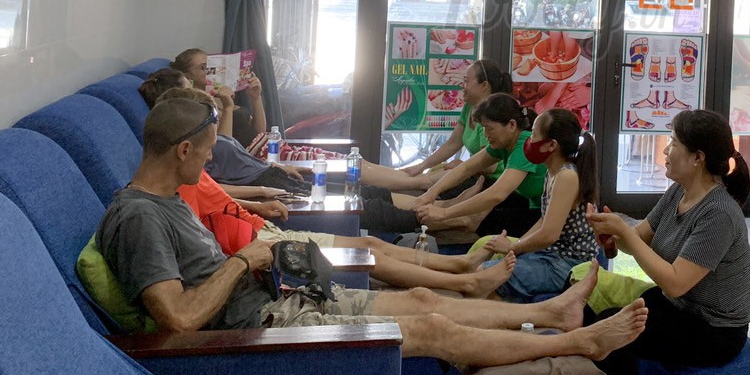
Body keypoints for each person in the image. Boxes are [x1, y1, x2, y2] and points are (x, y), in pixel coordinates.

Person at [96, 97, 648, 370]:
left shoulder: (169, 198)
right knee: (433, 330)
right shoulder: (140, 217)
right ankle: (577, 342)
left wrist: (263, 256)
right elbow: (179, 319)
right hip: (265, 326)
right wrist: (245, 261)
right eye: (207, 152)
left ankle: (553, 312)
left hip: (282, 294)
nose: (211, 164)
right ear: (182, 150)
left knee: (424, 299)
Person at [157, 86, 518, 298]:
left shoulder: (189, 174)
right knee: (369, 250)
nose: (210, 155)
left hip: (265, 222)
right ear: (184, 147)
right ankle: (463, 274)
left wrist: (257, 201)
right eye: (207, 149)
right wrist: (261, 197)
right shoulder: (174, 190)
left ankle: (459, 262)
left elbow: (217, 196)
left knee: (370, 236)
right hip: (262, 243)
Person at [584, 110, 750, 375]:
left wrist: (626, 237)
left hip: (714, 329)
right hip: (680, 307)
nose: (665, 150)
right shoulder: (678, 191)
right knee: (596, 316)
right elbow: (640, 236)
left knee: (617, 336)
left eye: (673, 143)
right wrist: (612, 237)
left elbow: (676, 282)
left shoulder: (720, 213)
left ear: (697, 157)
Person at [480, 108, 599, 301]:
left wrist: (514, 247)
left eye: (534, 135)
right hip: (553, 255)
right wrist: (515, 247)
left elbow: (549, 234)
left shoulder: (567, 176)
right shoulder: (552, 171)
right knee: (487, 269)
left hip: (568, 264)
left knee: (486, 276)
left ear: (551, 145)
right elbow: (545, 220)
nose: (529, 140)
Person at [141, 68, 308, 194]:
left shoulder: (205, 124)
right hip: (261, 178)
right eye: (188, 87)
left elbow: (225, 146)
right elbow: (210, 186)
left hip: (266, 169)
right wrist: (262, 191)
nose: (194, 89)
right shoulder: (192, 144)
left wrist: (276, 167)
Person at [357, 58, 512, 193]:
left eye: (466, 81)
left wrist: (463, 165)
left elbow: (490, 166)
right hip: (471, 173)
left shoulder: (492, 116)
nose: (462, 85)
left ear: (484, 85)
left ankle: (362, 173)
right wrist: (422, 165)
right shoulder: (469, 107)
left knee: (419, 182)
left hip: (486, 181)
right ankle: (362, 166)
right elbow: (452, 144)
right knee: (413, 176)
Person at [411, 93, 547, 237]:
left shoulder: (524, 146)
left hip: (544, 214)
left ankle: (465, 221)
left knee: (490, 218)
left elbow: (497, 194)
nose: (486, 134)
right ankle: (464, 220)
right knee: (481, 199)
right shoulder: (504, 143)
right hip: (532, 203)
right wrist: (432, 192)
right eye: (483, 129)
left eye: (489, 128)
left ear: (512, 125)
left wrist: (444, 213)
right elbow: (467, 167)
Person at [173, 48, 266, 145]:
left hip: (253, 150)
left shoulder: (220, 96)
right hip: (233, 153)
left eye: (211, 64)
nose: (211, 70)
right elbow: (221, 147)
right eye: (204, 67)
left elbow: (259, 134)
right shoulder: (196, 107)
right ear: (187, 76)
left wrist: (256, 98)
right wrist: (227, 108)